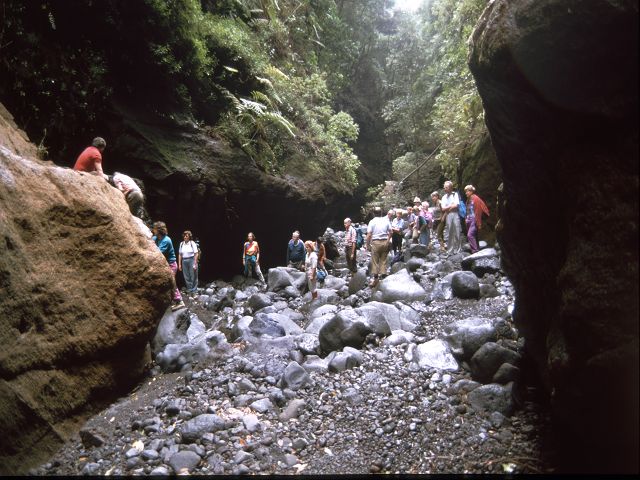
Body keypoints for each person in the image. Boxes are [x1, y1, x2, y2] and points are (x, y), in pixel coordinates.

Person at [152, 221, 184, 311]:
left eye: (154, 228)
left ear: (158, 230)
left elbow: (159, 252)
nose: (152, 230)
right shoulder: (156, 238)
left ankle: (179, 301)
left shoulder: (166, 240)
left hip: (171, 265)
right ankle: (169, 301)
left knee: (171, 283)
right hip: (165, 265)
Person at [365, 206, 392, 288]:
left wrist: (367, 245)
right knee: (383, 260)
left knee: (375, 261)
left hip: (376, 242)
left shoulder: (372, 222)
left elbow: (369, 234)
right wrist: (388, 241)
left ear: (373, 213)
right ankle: (383, 279)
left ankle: (376, 280)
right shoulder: (386, 220)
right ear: (381, 213)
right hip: (384, 242)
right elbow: (391, 231)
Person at [464, 185, 490, 253]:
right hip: (468, 220)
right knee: (475, 235)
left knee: (470, 235)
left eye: (467, 191)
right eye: (465, 191)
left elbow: (478, 211)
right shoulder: (468, 200)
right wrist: (466, 219)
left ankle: (475, 251)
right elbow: (467, 211)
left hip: (474, 219)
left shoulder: (476, 199)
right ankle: (477, 248)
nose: (466, 193)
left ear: (471, 191)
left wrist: (478, 222)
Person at [441, 180, 462, 254]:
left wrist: (448, 207)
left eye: (446, 187)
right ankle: (450, 250)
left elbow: (456, 205)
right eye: (444, 187)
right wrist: (451, 205)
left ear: (450, 188)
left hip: (455, 214)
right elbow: (443, 208)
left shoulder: (455, 194)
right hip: (448, 215)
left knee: (457, 231)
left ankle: (458, 250)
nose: (445, 189)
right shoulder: (443, 197)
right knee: (449, 232)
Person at [178, 230, 200, 296]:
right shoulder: (181, 244)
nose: (185, 237)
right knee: (186, 276)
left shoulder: (192, 243)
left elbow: (196, 253)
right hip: (184, 261)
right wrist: (179, 264)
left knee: (193, 275)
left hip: (191, 259)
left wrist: (195, 263)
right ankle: (189, 289)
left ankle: (194, 290)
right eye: (184, 235)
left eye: (186, 236)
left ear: (189, 237)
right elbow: (180, 254)